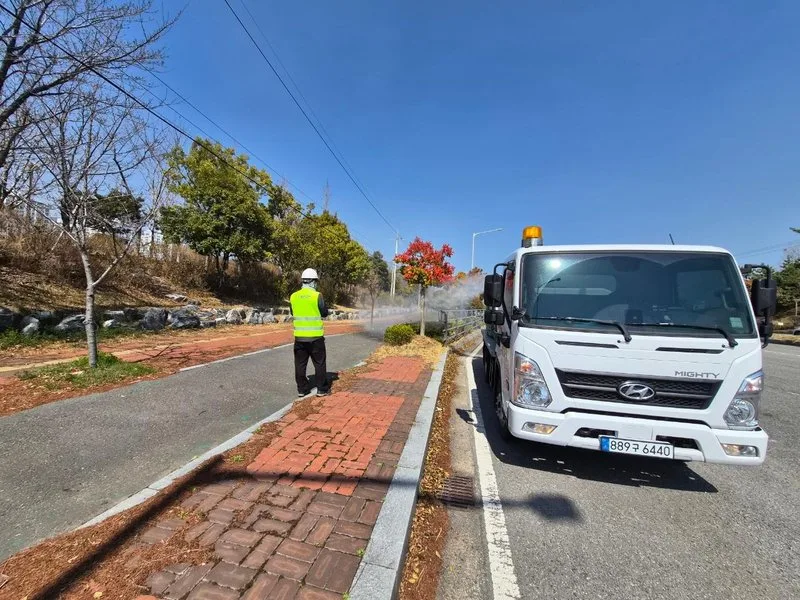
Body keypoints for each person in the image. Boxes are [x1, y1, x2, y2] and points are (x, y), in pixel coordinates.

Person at [290, 268, 330, 397]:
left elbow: (293, 312)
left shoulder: (293, 296)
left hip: (299, 337)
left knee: (300, 364)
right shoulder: (317, 295)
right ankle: (321, 389)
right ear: (313, 281)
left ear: (303, 281)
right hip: (315, 337)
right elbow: (324, 312)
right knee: (319, 363)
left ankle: (302, 389)